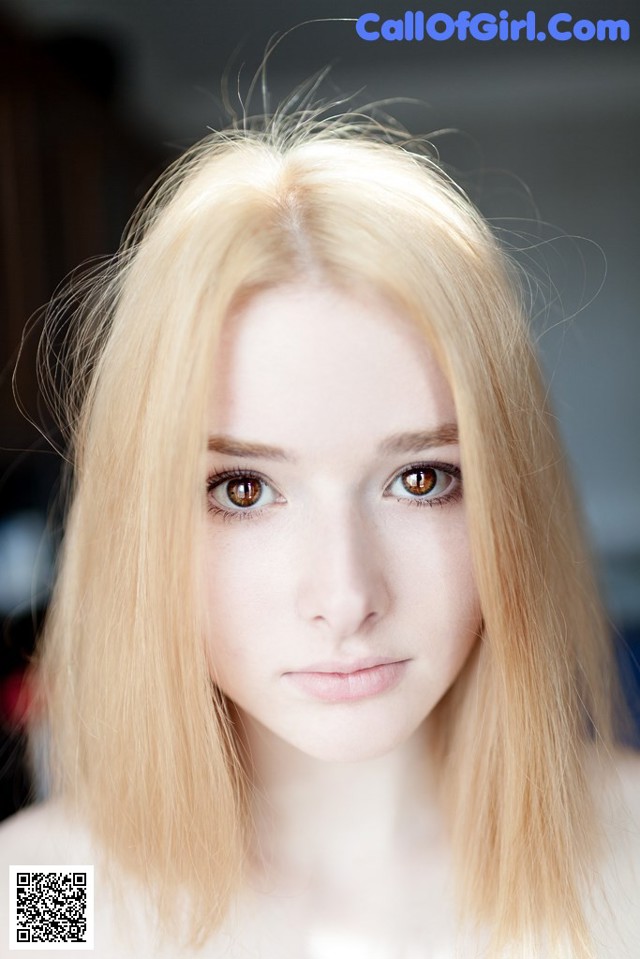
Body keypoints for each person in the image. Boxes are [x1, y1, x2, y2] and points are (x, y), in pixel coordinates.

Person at [0, 108, 638, 959]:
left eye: (422, 479)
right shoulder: (46, 886)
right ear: (138, 525)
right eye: (242, 488)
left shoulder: (628, 860)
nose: (345, 597)